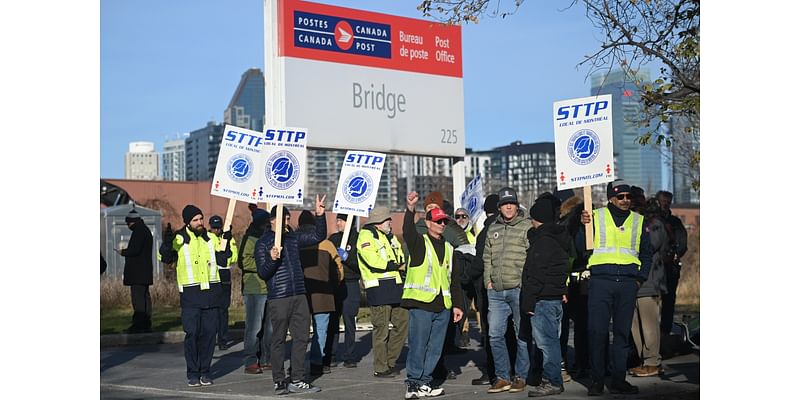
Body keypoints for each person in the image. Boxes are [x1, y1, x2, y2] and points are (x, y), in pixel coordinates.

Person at [580, 180, 653, 396]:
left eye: (628, 197)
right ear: (611, 197)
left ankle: (619, 380)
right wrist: (582, 224)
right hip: (601, 282)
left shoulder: (639, 221)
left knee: (622, 334)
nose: (625, 200)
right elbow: (579, 246)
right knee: (597, 333)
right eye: (621, 197)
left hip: (628, 284)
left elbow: (647, 253)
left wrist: (640, 279)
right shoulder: (595, 216)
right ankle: (597, 381)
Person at [255, 195, 327, 395]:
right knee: (278, 339)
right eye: (283, 219)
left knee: (302, 337)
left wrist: (320, 215)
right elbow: (263, 272)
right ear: (272, 221)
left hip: (299, 294)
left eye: (288, 219)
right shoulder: (263, 243)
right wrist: (271, 258)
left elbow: (317, 237)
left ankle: (297, 378)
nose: (287, 222)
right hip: (279, 296)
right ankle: (279, 380)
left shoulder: (294, 238)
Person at [401, 191, 466, 399]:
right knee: (418, 346)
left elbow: (454, 281)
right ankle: (413, 383)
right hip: (421, 305)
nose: (441, 225)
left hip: (443, 307)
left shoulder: (449, 249)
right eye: (437, 221)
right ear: (427, 223)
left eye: (444, 221)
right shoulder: (420, 243)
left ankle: (425, 382)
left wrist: (457, 306)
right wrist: (410, 209)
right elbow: (408, 231)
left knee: (436, 349)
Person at [161, 205, 231, 387]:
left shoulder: (211, 238)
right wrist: (166, 245)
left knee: (208, 335)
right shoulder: (179, 238)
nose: (200, 222)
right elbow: (166, 259)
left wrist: (227, 245)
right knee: (192, 334)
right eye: (195, 220)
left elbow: (226, 260)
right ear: (187, 222)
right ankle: (193, 373)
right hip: (191, 296)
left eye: (201, 219)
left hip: (212, 295)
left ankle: (205, 372)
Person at [483, 187, 531, 394]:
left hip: (518, 289)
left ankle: (521, 376)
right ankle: (502, 377)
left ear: (517, 205)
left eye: (511, 203)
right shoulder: (493, 228)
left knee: (522, 334)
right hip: (496, 292)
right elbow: (487, 257)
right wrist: (488, 281)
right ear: (499, 208)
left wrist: (525, 283)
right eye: (504, 204)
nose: (508, 206)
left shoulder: (527, 226)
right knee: (494, 335)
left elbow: (532, 257)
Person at [520, 196, 570, 397]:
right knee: (552, 341)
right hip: (554, 296)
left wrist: (529, 300)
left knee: (546, 343)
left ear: (537, 218)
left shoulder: (543, 241)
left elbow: (537, 273)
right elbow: (561, 268)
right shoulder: (557, 238)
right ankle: (553, 378)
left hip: (543, 299)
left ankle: (552, 381)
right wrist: (563, 290)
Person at [469, 194, 519, 387]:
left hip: (490, 288)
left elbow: (481, 260)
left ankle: (495, 373)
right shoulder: (505, 226)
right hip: (511, 284)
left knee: (493, 333)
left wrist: (466, 277)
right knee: (512, 333)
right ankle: (515, 371)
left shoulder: (487, 230)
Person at [357, 205, 409, 378]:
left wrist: (400, 264)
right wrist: (395, 265)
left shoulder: (390, 236)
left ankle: (389, 361)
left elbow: (400, 256)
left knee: (403, 324)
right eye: (387, 219)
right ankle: (381, 367)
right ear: (378, 222)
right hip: (378, 289)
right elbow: (373, 260)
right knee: (382, 330)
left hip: (395, 287)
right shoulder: (366, 235)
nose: (390, 222)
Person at [297, 210, 344, 376]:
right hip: (323, 293)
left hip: (299, 293)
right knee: (321, 330)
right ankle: (317, 363)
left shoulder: (293, 242)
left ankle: (296, 365)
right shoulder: (326, 244)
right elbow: (339, 269)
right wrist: (334, 285)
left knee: (299, 332)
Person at [629, 198, 669, 378]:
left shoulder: (654, 225)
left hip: (650, 284)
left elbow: (650, 246)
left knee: (649, 326)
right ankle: (643, 360)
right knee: (635, 327)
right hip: (634, 284)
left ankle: (652, 362)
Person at [239, 208, 272, 374]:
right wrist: (264, 265)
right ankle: (251, 360)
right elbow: (243, 262)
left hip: (269, 287)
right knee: (254, 327)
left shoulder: (269, 239)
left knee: (269, 327)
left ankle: (267, 358)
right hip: (254, 288)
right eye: (266, 223)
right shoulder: (250, 240)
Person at [327, 213, 361, 368]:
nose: (337, 223)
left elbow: (361, 265)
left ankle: (349, 355)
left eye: (340, 220)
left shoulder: (358, 238)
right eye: (337, 220)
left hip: (351, 283)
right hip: (336, 284)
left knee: (349, 320)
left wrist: (349, 259)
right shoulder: (333, 239)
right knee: (333, 320)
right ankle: (331, 354)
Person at [655, 190, 688, 337]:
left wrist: (676, 254)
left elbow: (682, 244)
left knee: (668, 302)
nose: (665, 204)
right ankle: (652, 333)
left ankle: (665, 332)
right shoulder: (651, 220)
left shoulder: (675, 222)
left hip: (670, 267)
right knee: (651, 301)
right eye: (663, 201)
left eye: (667, 202)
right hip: (654, 268)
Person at [117, 208, 154, 334]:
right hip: (145, 272)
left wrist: (123, 252)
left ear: (132, 222)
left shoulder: (139, 231)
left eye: (128, 223)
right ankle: (146, 323)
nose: (128, 226)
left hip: (138, 273)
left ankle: (139, 325)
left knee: (138, 299)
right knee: (145, 298)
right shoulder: (145, 230)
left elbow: (134, 250)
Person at [208, 215, 237, 351]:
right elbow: (216, 258)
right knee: (212, 309)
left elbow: (233, 257)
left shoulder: (228, 238)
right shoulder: (207, 238)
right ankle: (211, 337)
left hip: (225, 273)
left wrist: (227, 243)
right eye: (214, 228)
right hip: (213, 274)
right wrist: (223, 251)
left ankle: (222, 339)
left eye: (218, 227)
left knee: (223, 309)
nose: (216, 230)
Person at [453, 207, 478, 349]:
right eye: (457, 217)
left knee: (478, 306)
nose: (461, 219)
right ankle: (464, 332)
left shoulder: (474, 232)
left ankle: (483, 333)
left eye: (464, 216)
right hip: (460, 275)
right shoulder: (453, 234)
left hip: (475, 274)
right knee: (463, 304)